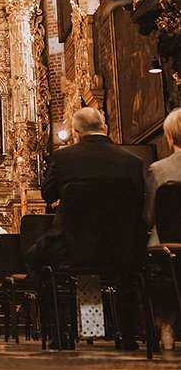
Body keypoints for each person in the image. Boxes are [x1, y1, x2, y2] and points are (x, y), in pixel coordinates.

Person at [25, 107, 144, 349]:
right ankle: (128, 335)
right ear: (105, 127)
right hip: (122, 250)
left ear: (76, 133)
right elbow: (139, 205)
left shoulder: (64, 159)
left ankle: (61, 331)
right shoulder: (133, 163)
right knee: (127, 273)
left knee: (34, 257)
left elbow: (47, 194)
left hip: (72, 250)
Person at [144, 108, 181, 350]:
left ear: (169, 138)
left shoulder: (158, 170)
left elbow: (148, 217)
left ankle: (166, 325)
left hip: (169, 245)